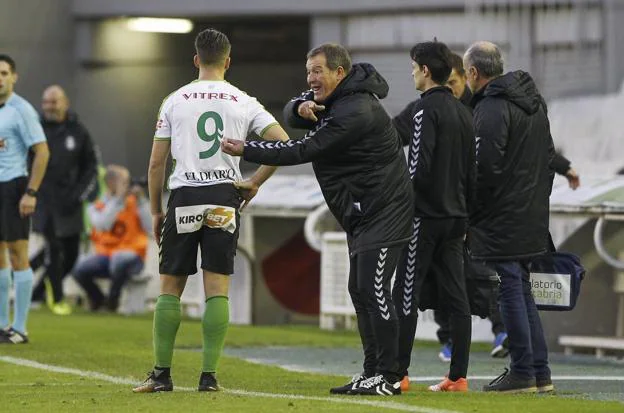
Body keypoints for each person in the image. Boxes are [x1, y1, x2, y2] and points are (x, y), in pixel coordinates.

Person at [222, 43, 414, 396]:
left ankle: (390, 377)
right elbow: (291, 111)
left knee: (374, 292)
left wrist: (247, 148)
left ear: (339, 73)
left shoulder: (355, 110)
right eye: (308, 70)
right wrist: (301, 106)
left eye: (317, 71)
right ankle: (371, 372)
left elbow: (303, 149)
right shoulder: (339, 97)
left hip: (386, 211)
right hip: (364, 213)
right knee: (360, 290)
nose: (310, 78)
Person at [133, 28, 289, 393]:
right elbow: (282, 144)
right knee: (216, 288)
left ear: (195, 59)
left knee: (170, 288)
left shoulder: (175, 99)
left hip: (185, 195)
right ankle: (208, 378)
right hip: (224, 196)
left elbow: (156, 164)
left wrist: (156, 210)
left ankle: (160, 375)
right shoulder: (243, 100)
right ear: (228, 62)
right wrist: (255, 182)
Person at [464, 41, 555, 393]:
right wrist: (536, 200)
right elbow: (548, 157)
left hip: (501, 216)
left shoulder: (490, 108)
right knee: (523, 290)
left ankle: (521, 372)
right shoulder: (534, 104)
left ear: (473, 72)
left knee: (510, 291)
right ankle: (540, 373)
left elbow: (484, 168)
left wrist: (473, 213)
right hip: (531, 213)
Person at [389, 42, 475, 393]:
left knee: (404, 293)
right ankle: (458, 377)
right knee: (458, 297)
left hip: (425, 217)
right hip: (457, 217)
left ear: (425, 70)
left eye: (413, 67)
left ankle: (398, 374)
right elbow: (472, 172)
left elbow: (418, 168)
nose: (411, 73)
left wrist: (402, 202)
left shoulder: (425, 111)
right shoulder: (464, 112)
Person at [29, 85, 98, 316]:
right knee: (54, 249)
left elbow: (91, 166)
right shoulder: (34, 129)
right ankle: (57, 298)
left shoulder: (78, 131)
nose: (49, 106)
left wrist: (80, 193)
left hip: (71, 201)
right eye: (46, 102)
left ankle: (36, 292)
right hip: (43, 199)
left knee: (71, 254)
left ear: (65, 103)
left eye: (54, 102)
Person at [0, 54, 50, 344]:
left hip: (15, 187)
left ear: (14, 77)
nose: (0, 78)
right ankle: (3, 324)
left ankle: (20, 328)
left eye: (4, 73)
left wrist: (31, 192)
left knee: (19, 255)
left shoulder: (22, 110)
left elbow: (42, 152)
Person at [72, 165, 149, 312]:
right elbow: (103, 225)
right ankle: (99, 300)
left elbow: (151, 227)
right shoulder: (98, 204)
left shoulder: (136, 202)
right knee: (78, 268)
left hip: (133, 255)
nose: (128, 185)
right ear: (111, 183)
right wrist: (117, 199)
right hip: (105, 256)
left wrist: (142, 201)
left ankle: (113, 302)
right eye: (125, 182)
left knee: (119, 259)